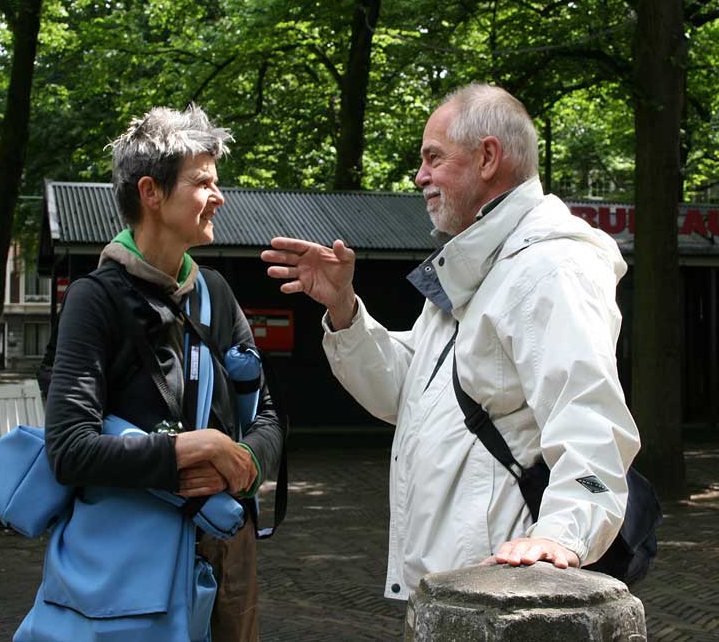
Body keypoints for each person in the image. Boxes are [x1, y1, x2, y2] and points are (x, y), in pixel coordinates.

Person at [262, 83, 640, 600]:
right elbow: (405, 393)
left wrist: (560, 536)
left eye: (433, 158)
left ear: (488, 158)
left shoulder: (551, 266)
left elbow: (591, 419)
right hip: (451, 590)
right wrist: (344, 309)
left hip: (505, 591)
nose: (420, 176)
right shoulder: (471, 267)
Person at [39, 105, 285, 640]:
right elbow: (69, 450)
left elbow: (266, 416)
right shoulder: (94, 300)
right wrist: (191, 451)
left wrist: (244, 461)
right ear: (151, 193)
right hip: (132, 559)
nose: (219, 196)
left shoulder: (215, 293)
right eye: (202, 183)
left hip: (228, 546)